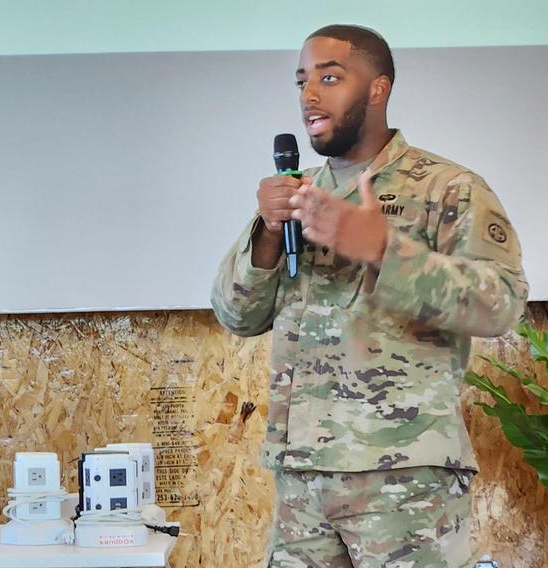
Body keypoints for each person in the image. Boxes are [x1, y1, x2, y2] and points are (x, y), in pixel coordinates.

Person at [211, 24, 529, 567]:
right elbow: (236, 314)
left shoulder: (446, 187)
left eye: (329, 78)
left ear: (377, 89)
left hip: (403, 478)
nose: (309, 96)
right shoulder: (298, 194)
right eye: (302, 81)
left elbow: (501, 301)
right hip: (302, 478)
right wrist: (267, 230)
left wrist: (385, 248)